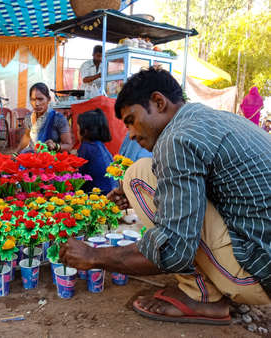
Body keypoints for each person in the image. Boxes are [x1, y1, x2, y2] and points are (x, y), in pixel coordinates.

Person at [59, 67, 270, 325]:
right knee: (142, 176)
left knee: (138, 175)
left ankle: (203, 298)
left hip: (256, 275)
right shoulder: (212, 120)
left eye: (131, 120)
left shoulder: (176, 139)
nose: (132, 134)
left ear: (159, 102)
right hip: (263, 260)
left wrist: (94, 257)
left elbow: (175, 249)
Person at [13, 83, 72, 154]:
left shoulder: (58, 118)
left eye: (40, 99)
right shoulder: (29, 117)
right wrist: (16, 154)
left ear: (48, 99)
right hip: (32, 157)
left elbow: (69, 146)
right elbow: (27, 137)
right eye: (33, 100)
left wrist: (55, 146)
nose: (37, 103)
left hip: (50, 159)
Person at [76, 109, 118, 195]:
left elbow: (78, 177)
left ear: (85, 131)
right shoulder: (99, 146)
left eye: (77, 130)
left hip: (99, 197)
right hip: (110, 192)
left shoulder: (87, 147)